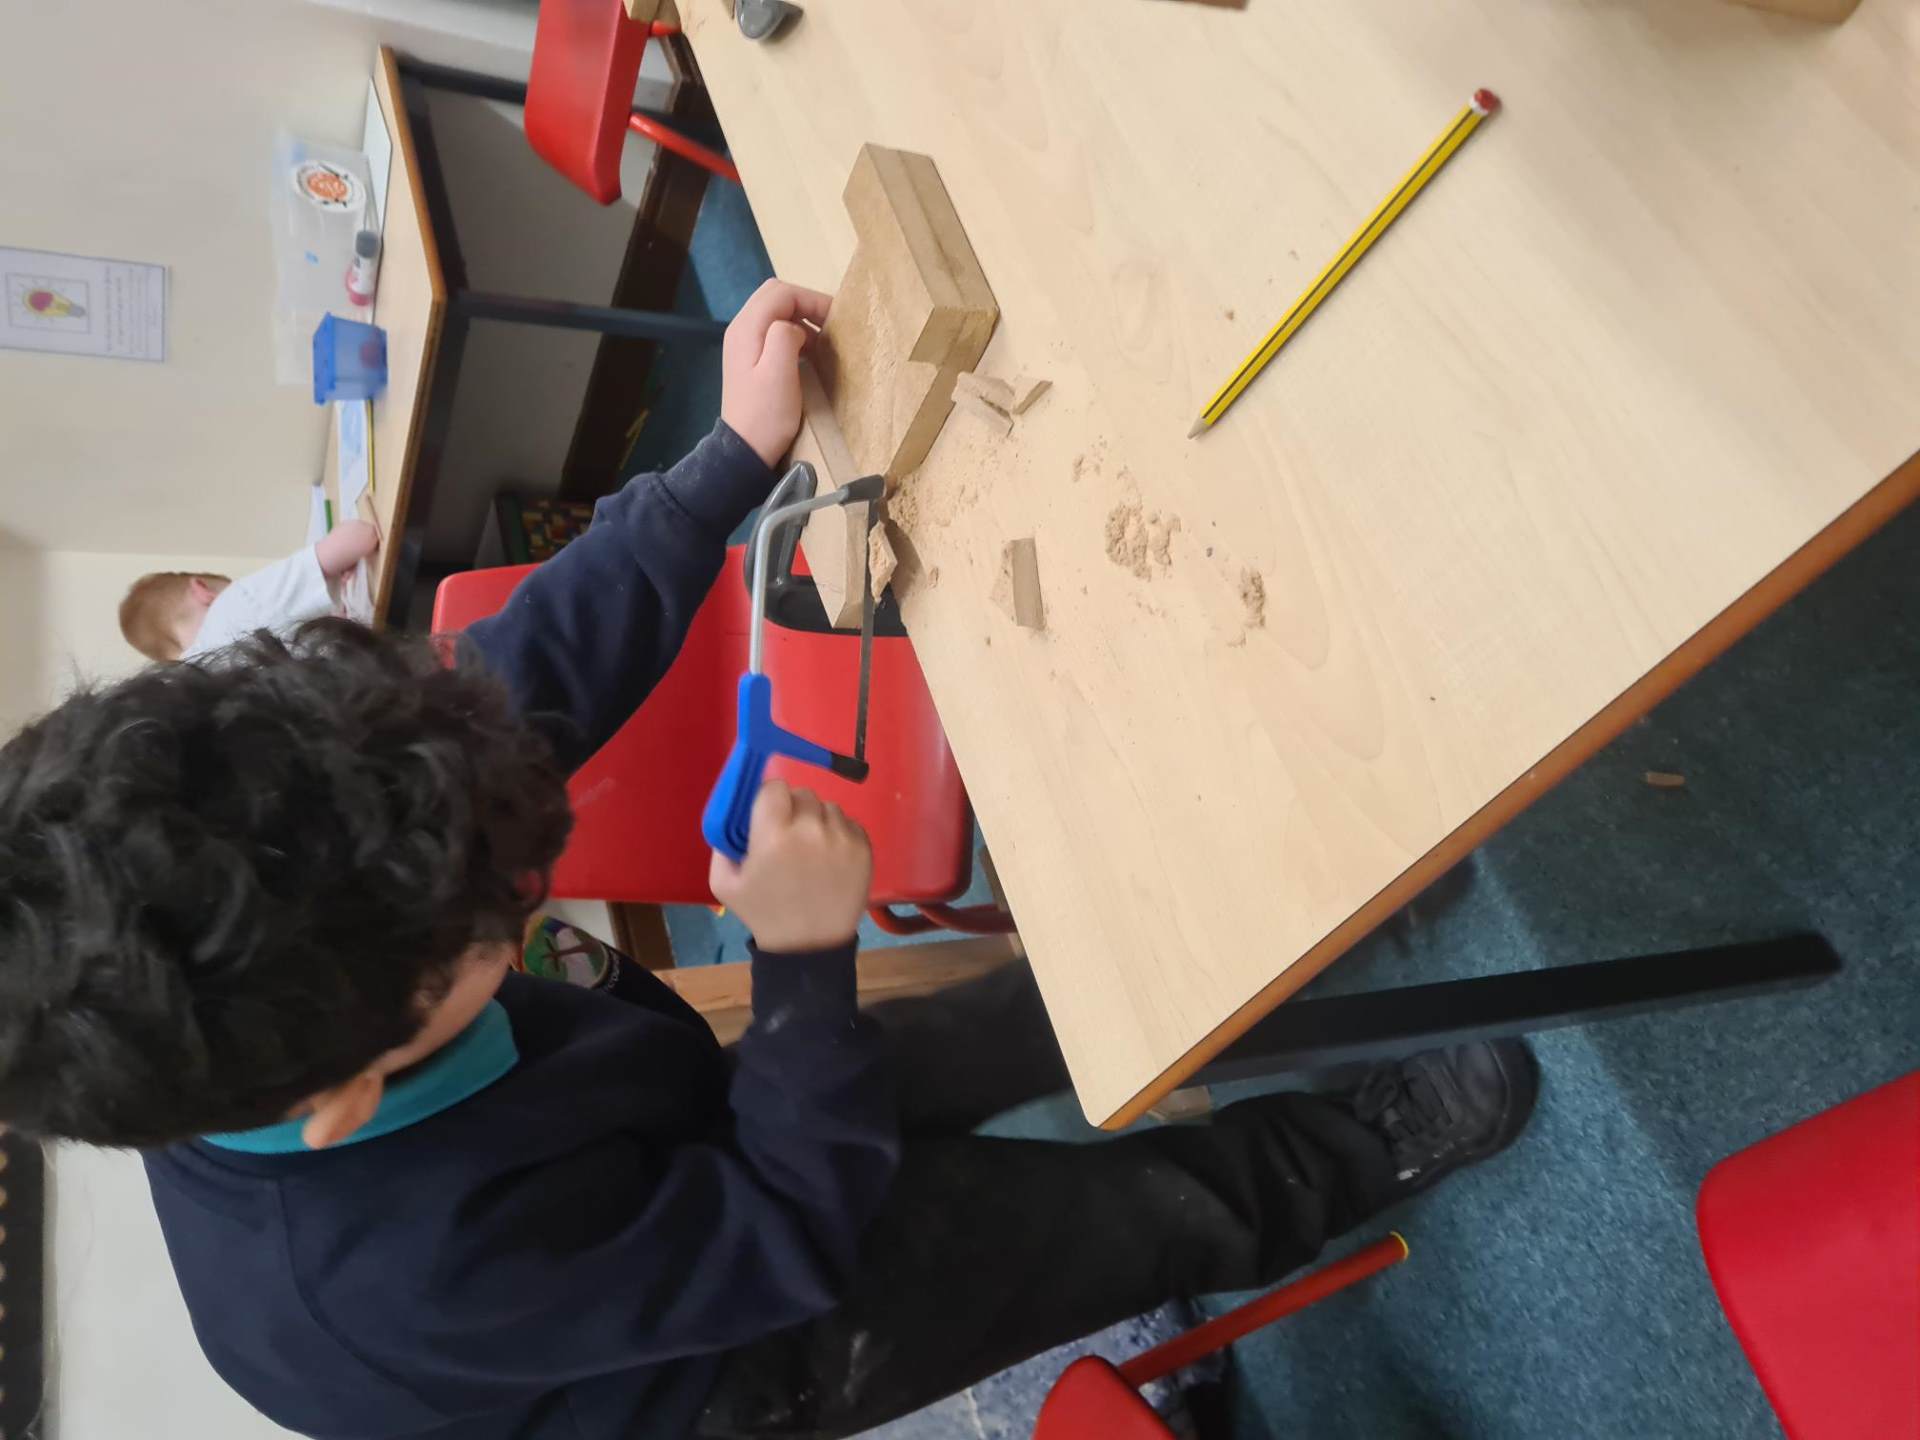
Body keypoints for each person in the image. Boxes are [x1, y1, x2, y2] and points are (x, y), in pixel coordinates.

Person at [0, 279, 1537, 1440]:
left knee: (986, 1032)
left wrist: (722, 464)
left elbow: (507, 692)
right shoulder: (404, 1282)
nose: (508, 877)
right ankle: (1356, 1152)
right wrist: (800, 960)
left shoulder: (298, 908)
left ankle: (1266, 968)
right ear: (345, 1091)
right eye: (483, 923)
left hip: (638, 1127)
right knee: (1107, 1227)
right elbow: (784, 1230)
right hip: (737, 1347)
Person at [117, 518, 381, 662]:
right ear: (202, 590)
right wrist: (340, 537)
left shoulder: (199, 685)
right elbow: (360, 537)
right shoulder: (234, 605)